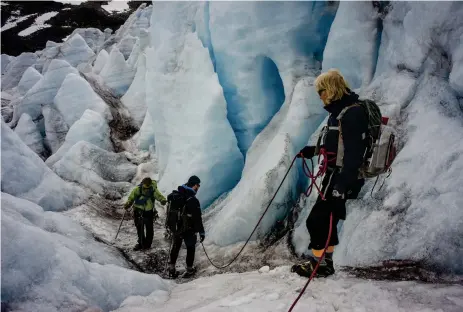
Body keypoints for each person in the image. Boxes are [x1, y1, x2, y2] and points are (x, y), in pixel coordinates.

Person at [291, 69, 368, 278]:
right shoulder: (338, 113)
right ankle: (325, 263)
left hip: (342, 176)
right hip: (334, 175)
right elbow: (336, 145)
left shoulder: (352, 113)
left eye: (321, 91)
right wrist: (313, 151)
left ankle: (319, 264)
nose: (320, 96)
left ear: (332, 88)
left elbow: (354, 153)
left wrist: (342, 183)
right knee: (327, 219)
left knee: (317, 219)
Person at [167, 175, 205, 278]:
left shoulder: (177, 195)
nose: (198, 188)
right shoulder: (192, 199)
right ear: (194, 185)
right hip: (189, 229)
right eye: (198, 185)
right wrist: (201, 232)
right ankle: (189, 270)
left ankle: (171, 268)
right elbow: (197, 218)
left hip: (176, 228)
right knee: (190, 248)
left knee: (175, 247)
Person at [125, 177, 167, 251]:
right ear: (142, 184)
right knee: (140, 228)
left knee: (149, 228)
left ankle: (147, 244)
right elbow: (131, 197)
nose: (147, 188)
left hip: (148, 212)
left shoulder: (153, 189)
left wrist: (162, 200)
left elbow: (158, 195)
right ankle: (141, 243)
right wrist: (128, 203)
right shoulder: (137, 189)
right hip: (138, 211)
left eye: (148, 186)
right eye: (145, 186)